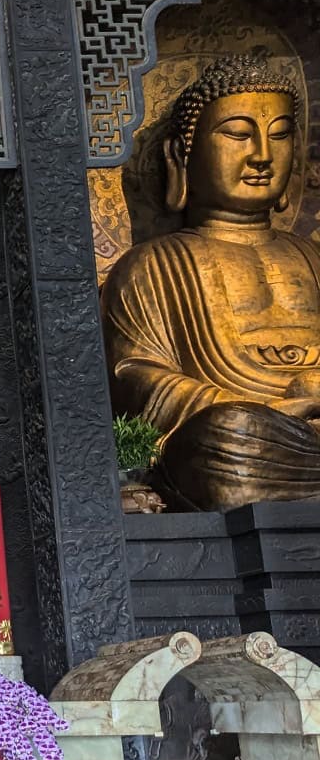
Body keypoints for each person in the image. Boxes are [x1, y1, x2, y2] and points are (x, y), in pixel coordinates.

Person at [103, 54, 320, 509]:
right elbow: (134, 377)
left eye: (279, 135)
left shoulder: (313, 256)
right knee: (231, 437)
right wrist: (266, 410)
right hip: (241, 440)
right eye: (238, 134)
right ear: (181, 155)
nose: (261, 154)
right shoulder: (151, 266)